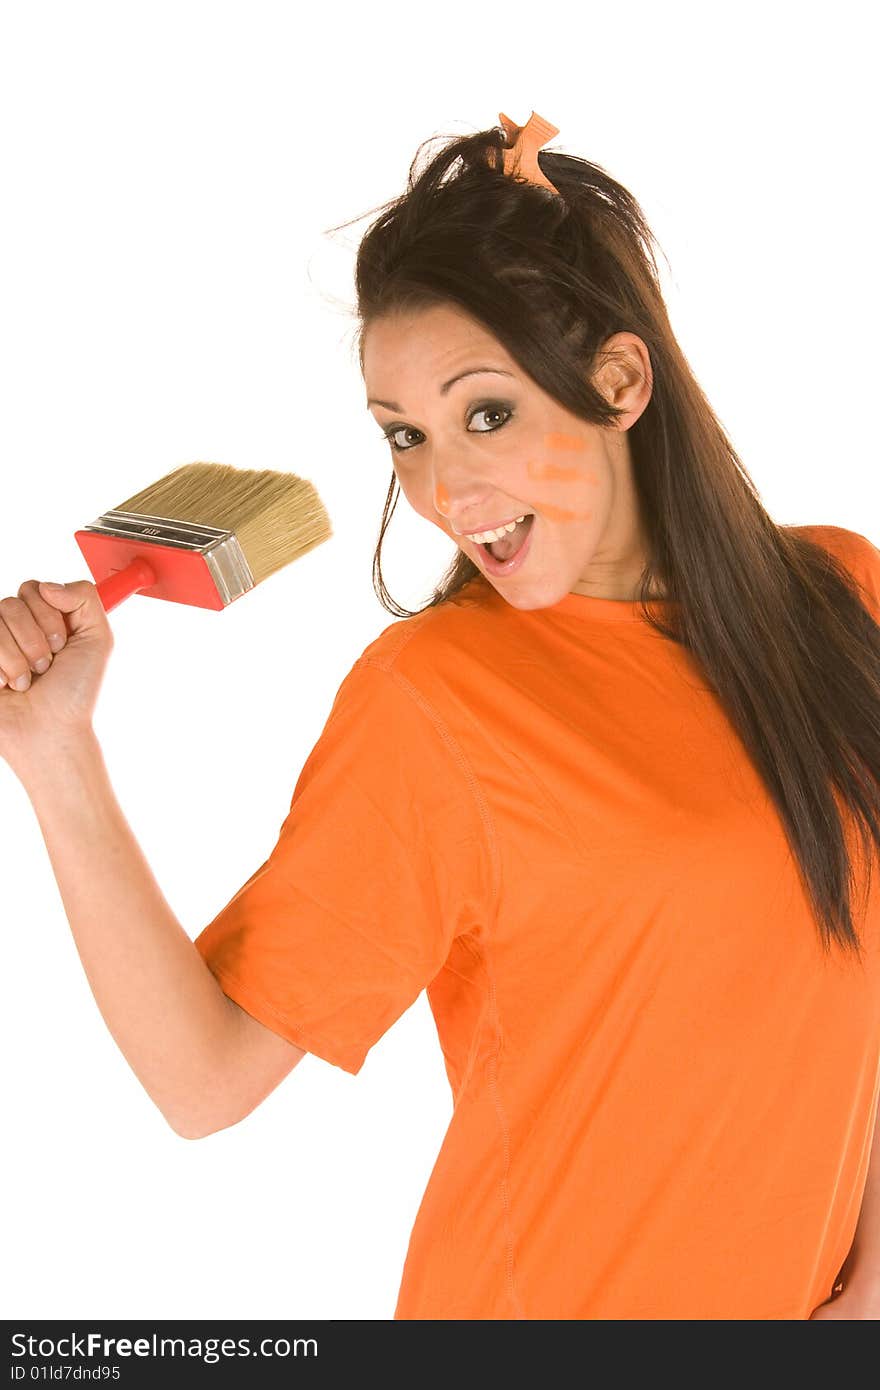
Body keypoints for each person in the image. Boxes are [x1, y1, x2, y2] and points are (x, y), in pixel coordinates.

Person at [1, 111, 879, 1321]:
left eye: (485, 414)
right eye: (403, 436)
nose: (443, 491)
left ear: (620, 382)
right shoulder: (434, 701)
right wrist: (56, 758)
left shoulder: (839, 598)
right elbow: (203, 1081)